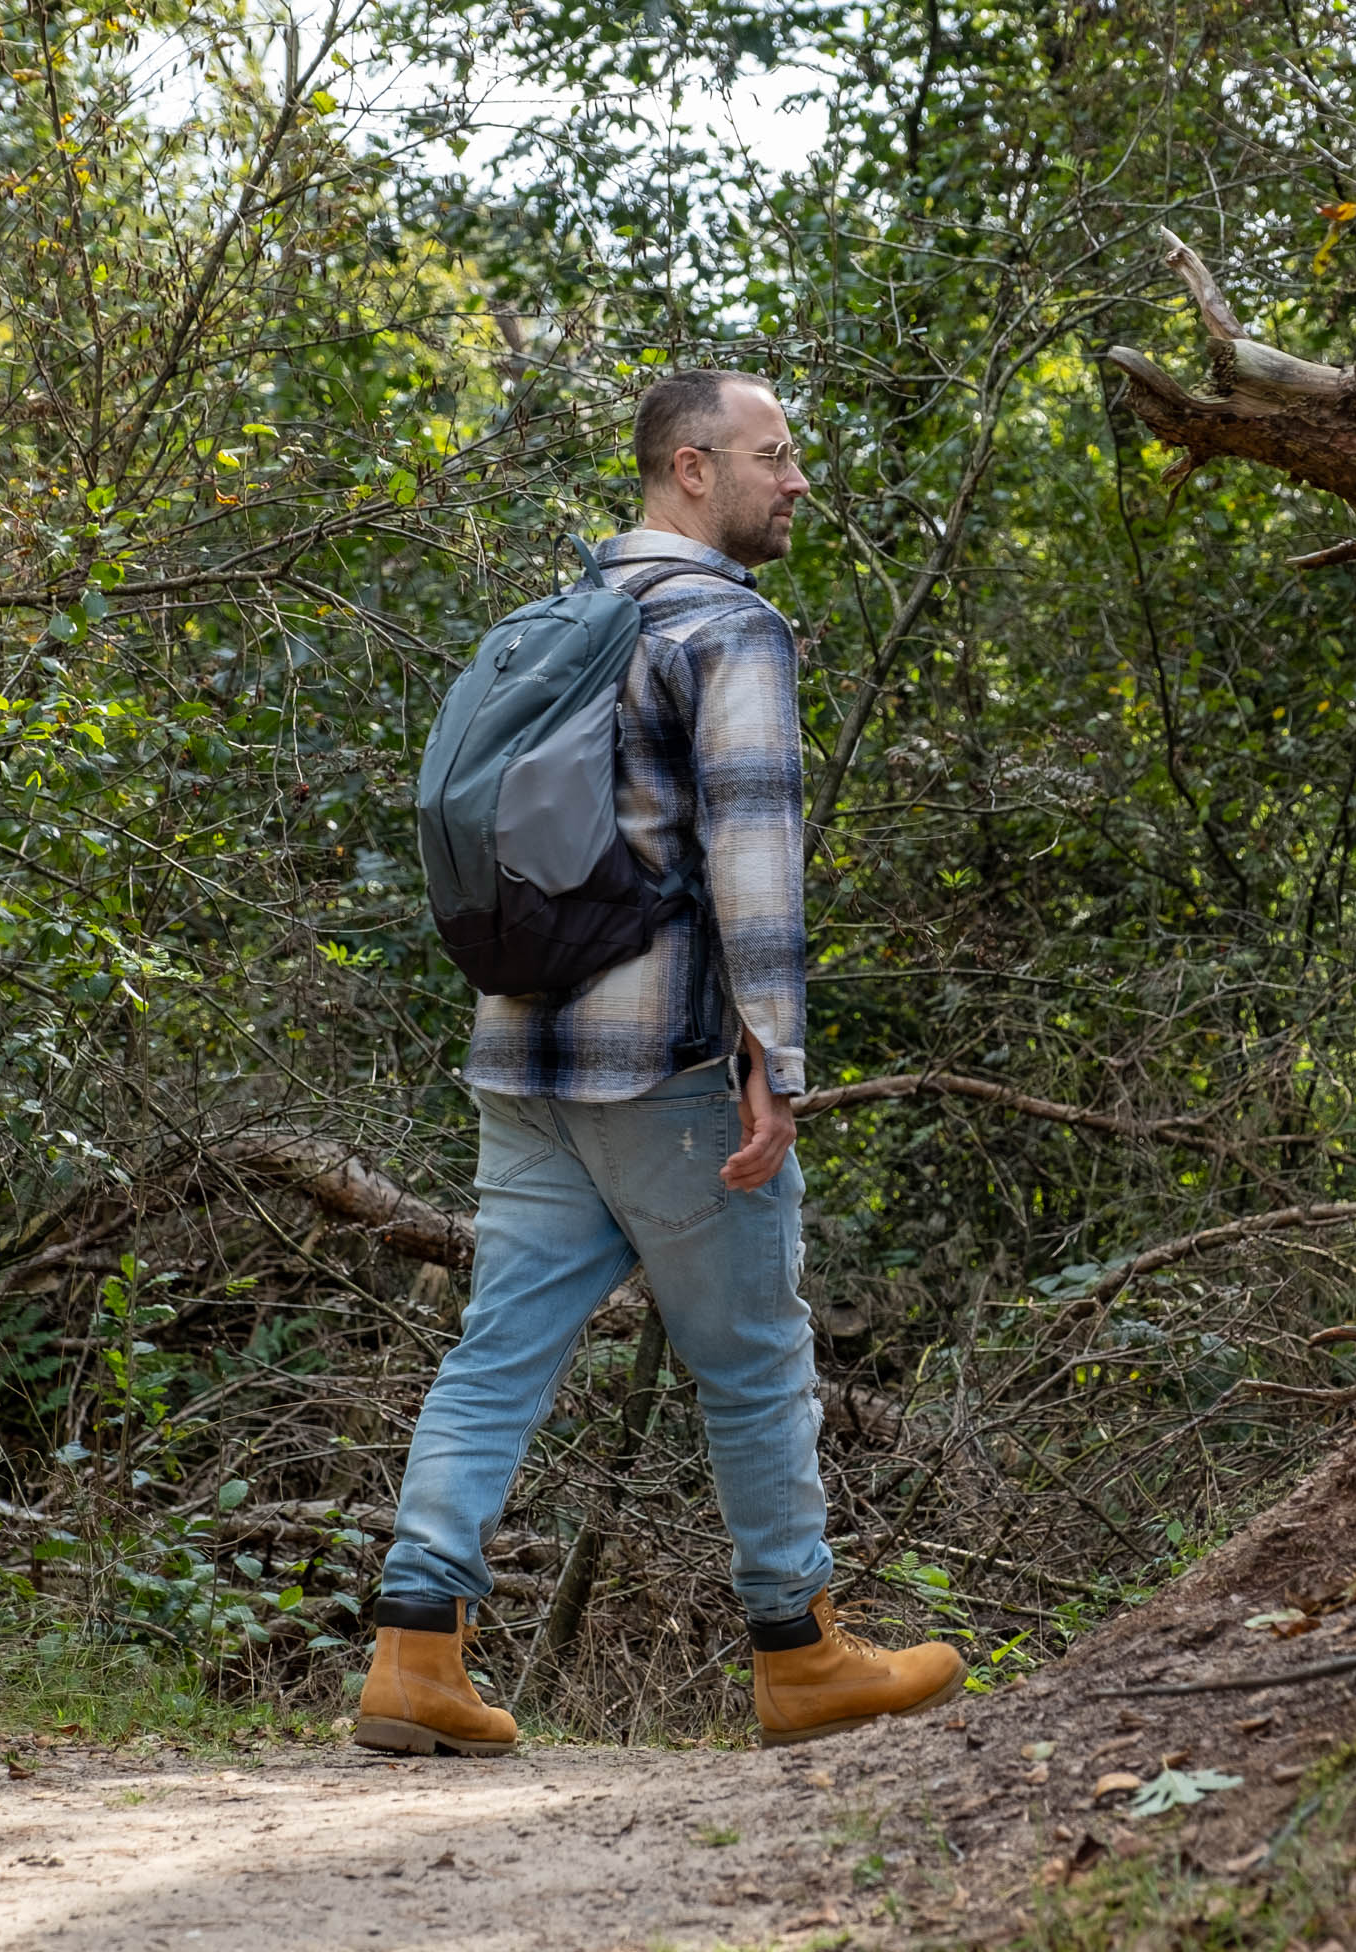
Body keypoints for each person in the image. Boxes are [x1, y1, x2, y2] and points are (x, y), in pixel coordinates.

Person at [354, 368, 964, 1754]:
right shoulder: (724, 629)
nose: (796, 480)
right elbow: (753, 854)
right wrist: (777, 1059)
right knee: (752, 1354)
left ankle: (413, 1652)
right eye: (773, 457)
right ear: (690, 470)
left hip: (521, 1051)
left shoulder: (548, 623)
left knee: (499, 1344)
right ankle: (799, 1652)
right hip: (669, 1071)